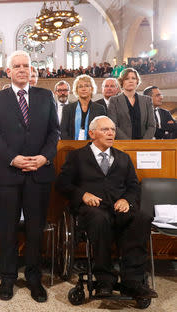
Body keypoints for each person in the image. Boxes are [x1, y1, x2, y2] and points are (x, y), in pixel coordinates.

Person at [56, 116, 158, 300]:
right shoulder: (77, 156)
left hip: (119, 208)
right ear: (92, 133)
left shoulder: (123, 158)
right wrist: (83, 195)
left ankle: (133, 281)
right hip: (91, 209)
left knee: (142, 217)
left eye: (112, 129)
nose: (111, 133)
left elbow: (134, 186)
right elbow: (62, 183)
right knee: (99, 218)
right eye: (105, 129)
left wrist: (127, 200)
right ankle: (104, 279)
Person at [0, 50, 59, 302]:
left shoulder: (46, 95)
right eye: (16, 66)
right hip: (9, 172)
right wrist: (13, 158)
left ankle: (33, 278)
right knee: (7, 228)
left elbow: (55, 133)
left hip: (39, 172)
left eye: (25, 66)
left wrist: (43, 158)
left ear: (31, 70)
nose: (21, 69)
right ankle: (7, 277)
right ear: (8, 71)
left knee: (35, 229)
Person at [107, 68, 155, 139]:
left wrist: (144, 142)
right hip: (123, 144)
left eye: (133, 78)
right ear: (122, 82)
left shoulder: (147, 100)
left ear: (137, 81)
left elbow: (151, 125)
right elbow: (113, 125)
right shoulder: (114, 100)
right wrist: (129, 143)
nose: (131, 81)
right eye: (127, 78)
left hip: (144, 144)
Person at [61, 74, 106, 140]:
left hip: (93, 145)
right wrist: (71, 146)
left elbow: (102, 131)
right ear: (76, 90)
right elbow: (63, 131)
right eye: (80, 86)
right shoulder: (67, 108)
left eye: (86, 86)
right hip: (71, 146)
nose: (83, 89)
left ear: (92, 89)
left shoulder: (100, 109)